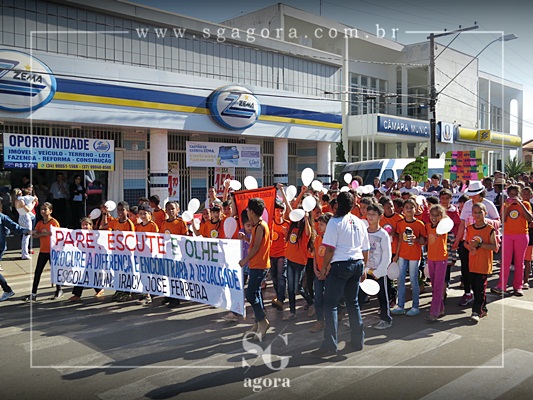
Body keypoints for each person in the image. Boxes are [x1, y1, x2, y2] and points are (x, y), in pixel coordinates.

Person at [311, 192, 369, 358]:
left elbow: (330, 249)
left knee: (331, 305)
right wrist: (364, 267)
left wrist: (324, 268)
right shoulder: (359, 222)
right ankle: (358, 340)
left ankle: (330, 344)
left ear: (337, 205)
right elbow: (365, 249)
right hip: (357, 263)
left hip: (340, 265)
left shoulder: (335, 222)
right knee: (353, 303)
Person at [452, 181, 499, 307]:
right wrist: (458, 240)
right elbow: (462, 223)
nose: (472, 197)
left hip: (483, 243)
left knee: (480, 272)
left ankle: (480, 299)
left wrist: (484, 220)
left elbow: (498, 221)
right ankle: (467, 293)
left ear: (481, 193)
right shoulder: (467, 204)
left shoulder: (488, 204)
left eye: (475, 194)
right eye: (471, 194)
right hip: (467, 241)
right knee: (466, 268)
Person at [239, 198, 271, 341]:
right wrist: (246, 240)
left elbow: (257, 247)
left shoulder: (260, 226)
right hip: (256, 264)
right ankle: (259, 322)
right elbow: (255, 244)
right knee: (255, 292)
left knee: (250, 294)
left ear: (251, 211)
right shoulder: (258, 225)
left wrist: (245, 260)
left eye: (248, 210)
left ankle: (262, 321)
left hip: (259, 265)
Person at [492, 185, 532, 296]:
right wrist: (507, 207)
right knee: (505, 261)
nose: (513, 196)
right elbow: (502, 219)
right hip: (508, 235)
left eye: (515, 194)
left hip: (522, 235)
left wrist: (520, 204)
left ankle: (518, 286)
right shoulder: (505, 204)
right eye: (511, 194)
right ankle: (501, 286)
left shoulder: (526, 204)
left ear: (519, 195)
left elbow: (529, 218)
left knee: (519, 262)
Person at [392, 198, 427, 316]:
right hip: (402, 255)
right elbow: (400, 240)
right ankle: (400, 306)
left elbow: (424, 240)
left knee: (413, 280)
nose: (409, 210)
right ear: (403, 209)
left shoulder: (419, 224)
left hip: (414, 256)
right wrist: (397, 255)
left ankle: (415, 306)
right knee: (400, 279)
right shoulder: (400, 223)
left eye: (411, 207)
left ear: (416, 209)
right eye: (407, 207)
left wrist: (416, 239)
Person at [464, 203, 498, 322]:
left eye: (480, 212)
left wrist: (480, 245)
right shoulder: (469, 228)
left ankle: (476, 311)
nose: (477, 215)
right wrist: (470, 247)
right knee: (474, 287)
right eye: (475, 212)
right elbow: (466, 242)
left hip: (483, 264)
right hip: (473, 262)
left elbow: (494, 247)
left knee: (480, 288)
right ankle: (483, 308)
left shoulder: (490, 229)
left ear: (485, 213)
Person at [361, 204, 392, 329]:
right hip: (365, 271)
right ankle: (355, 320)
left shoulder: (383, 234)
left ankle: (386, 319)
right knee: (359, 296)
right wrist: (364, 269)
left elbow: (387, 254)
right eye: (369, 214)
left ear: (380, 216)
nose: (370, 217)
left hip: (378, 272)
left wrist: (379, 271)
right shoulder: (363, 232)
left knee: (382, 297)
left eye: (374, 214)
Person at [26, 203, 62, 302]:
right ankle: (33, 293)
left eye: (45, 209)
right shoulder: (40, 223)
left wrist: (42, 234)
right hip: (43, 250)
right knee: (38, 272)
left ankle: (59, 289)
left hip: (53, 251)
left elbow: (57, 235)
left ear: (50, 211)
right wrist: (44, 234)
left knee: (55, 271)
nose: (43, 211)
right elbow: (34, 235)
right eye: (41, 209)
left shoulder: (54, 222)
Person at [68, 218, 105, 301]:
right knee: (83, 275)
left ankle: (79, 294)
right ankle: (97, 290)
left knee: (88, 275)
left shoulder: (95, 235)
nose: (84, 226)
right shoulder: (80, 236)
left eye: (86, 224)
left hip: (93, 258)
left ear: (91, 226)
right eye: (83, 225)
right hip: (84, 259)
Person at [0, 203, 31, 301]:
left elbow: (13, 226)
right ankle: (7, 290)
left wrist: (26, 231)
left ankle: (7, 290)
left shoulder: (2, 217)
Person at [309, 212, 333, 333]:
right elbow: (315, 256)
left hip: (328, 273)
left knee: (329, 297)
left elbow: (332, 256)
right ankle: (320, 320)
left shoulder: (332, 240)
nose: (319, 227)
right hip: (318, 272)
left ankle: (332, 318)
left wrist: (326, 271)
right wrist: (316, 270)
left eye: (322, 224)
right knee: (318, 296)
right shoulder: (318, 238)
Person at [425, 205, 449, 322]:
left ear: (442, 216)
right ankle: (441, 309)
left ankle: (434, 313)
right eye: (432, 215)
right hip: (431, 258)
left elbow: (447, 224)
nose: (434, 217)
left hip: (441, 260)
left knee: (438, 287)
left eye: (437, 215)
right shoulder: (428, 226)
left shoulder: (443, 228)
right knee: (434, 286)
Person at [269, 198, 289, 312]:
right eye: (277, 210)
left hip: (282, 254)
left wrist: (286, 233)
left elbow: (291, 240)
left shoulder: (287, 224)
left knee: (281, 276)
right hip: (271, 254)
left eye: (281, 211)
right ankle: (278, 295)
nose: (279, 213)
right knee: (274, 277)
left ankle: (281, 299)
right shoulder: (270, 223)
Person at [13, 188, 36, 260]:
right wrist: (34, 203)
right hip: (25, 217)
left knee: (25, 236)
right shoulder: (21, 201)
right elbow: (28, 210)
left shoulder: (15, 200)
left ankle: (24, 252)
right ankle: (25, 254)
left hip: (21, 217)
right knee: (26, 236)